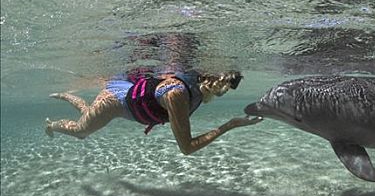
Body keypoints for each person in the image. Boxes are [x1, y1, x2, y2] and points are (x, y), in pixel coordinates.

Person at [45, 70, 263, 155]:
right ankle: (52, 124)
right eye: (219, 94)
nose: (214, 99)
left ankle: (66, 96)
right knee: (81, 131)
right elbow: (187, 148)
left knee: (88, 114)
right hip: (114, 101)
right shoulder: (177, 96)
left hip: (121, 89)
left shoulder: (193, 79)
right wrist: (230, 125)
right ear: (214, 86)